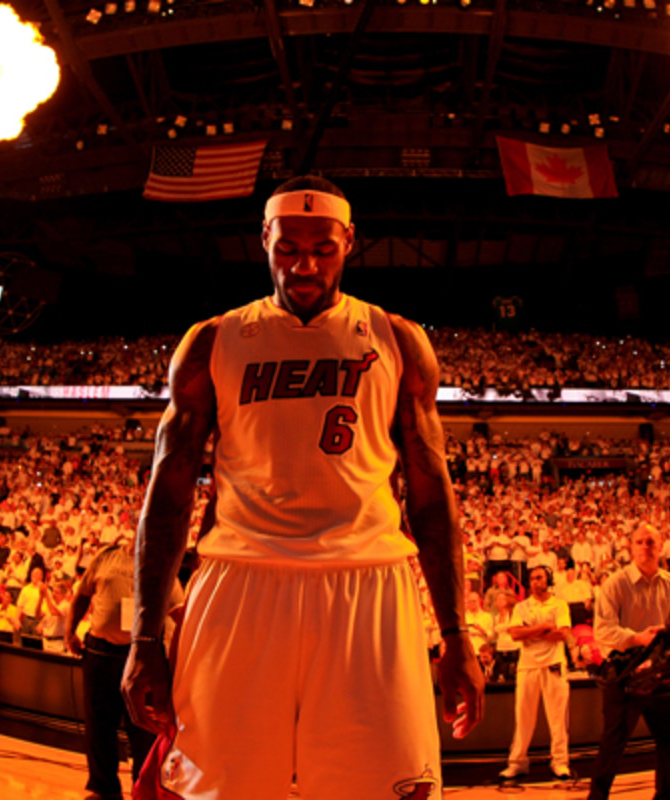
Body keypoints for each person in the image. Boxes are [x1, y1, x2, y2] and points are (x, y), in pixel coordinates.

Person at [121, 176, 484, 800]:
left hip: (368, 578)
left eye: (324, 248)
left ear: (350, 242)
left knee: (389, 787)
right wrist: (145, 637)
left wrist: (456, 634)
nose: (305, 264)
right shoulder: (213, 340)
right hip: (240, 578)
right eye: (288, 248)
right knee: (217, 790)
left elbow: (430, 493)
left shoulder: (398, 339)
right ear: (264, 239)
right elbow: (170, 492)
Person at [587, 523, 670, 800]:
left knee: (669, 746)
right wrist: (638, 638)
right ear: (631, 547)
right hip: (623, 675)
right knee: (612, 746)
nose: (646, 547)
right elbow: (603, 630)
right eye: (640, 542)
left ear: (660, 547)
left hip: (662, 675)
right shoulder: (615, 584)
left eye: (651, 542)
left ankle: (666, 796)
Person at [67, 534, 152, 799]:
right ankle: (103, 788)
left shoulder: (158, 559)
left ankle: (143, 789)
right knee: (98, 724)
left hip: (137, 654)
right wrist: (70, 630)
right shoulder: (105, 557)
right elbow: (81, 596)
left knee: (142, 730)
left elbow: (174, 605)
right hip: (99, 650)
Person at [501, 565, 573, 781]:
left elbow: (562, 634)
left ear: (548, 579)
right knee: (523, 717)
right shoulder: (522, 607)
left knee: (558, 717)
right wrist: (543, 627)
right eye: (532, 578)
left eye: (539, 578)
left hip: (554, 665)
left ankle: (560, 762)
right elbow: (514, 634)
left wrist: (529, 632)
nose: (535, 582)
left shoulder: (560, 604)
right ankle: (517, 763)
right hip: (528, 666)